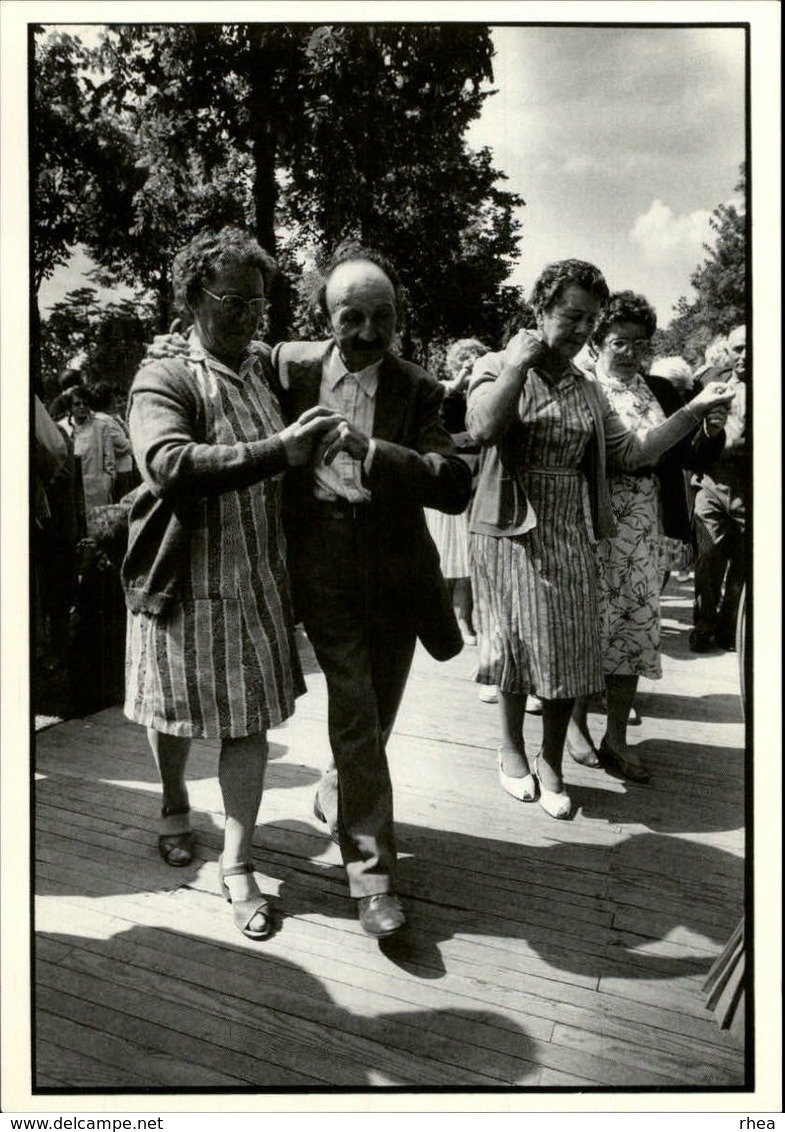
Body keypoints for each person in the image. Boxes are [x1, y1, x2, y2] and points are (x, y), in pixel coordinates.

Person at [122, 226, 340, 942]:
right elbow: (168, 463)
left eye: (259, 303)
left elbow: (336, 349)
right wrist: (279, 449)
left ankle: (238, 864)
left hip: (256, 581)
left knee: (248, 724)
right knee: (175, 717)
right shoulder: (165, 376)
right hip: (184, 585)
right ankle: (175, 802)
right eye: (232, 302)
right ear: (191, 298)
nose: (249, 316)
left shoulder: (260, 367)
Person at [466, 259, 734, 819]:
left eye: (591, 320)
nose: (583, 330)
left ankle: (551, 760)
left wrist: (693, 410)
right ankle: (511, 749)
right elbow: (485, 429)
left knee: (571, 646)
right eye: (571, 317)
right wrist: (518, 363)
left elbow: (633, 452)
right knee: (516, 643)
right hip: (510, 527)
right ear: (540, 311)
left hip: (573, 526)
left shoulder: (587, 388)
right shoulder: (496, 363)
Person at [271, 244, 472, 939]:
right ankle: (372, 880)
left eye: (381, 318)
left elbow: (453, 483)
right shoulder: (287, 367)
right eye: (349, 317)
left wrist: (372, 452)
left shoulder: (419, 387)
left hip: (394, 569)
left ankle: (338, 791)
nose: (365, 333)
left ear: (399, 319)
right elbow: (218, 370)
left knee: (375, 715)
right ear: (323, 316)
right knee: (354, 710)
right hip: (320, 558)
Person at [565, 292, 727, 782]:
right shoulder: (583, 386)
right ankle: (574, 723)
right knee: (588, 627)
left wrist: (711, 430)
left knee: (634, 628)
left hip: (643, 525)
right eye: (620, 342)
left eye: (641, 342)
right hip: (592, 520)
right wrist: (694, 413)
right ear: (596, 342)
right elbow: (621, 455)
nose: (632, 352)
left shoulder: (658, 388)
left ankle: (616, 735)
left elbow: (690, 459)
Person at [424, 338, 486, 646]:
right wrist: (460, 381)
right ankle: (444, 619)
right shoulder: (443, 389)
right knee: (447, 553)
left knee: (468, 556)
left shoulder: (485, 395)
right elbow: (436, 429)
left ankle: (465, 619)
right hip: (448, 477)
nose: (472, 364)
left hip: (478, 477)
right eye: (466, 359)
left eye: (477, 359)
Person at [690, 324, 747, 652]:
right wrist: (709, 433)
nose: (744, 355)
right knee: (707, 556)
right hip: (711, 482)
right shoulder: (714, 388)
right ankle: (704, 624)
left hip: (752, 486)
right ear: (729, 351)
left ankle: (729, 629)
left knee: (743, 565)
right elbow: (692, 445)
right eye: (738, 348)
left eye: (749, 347)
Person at [59, 386, 116, 508]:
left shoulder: (101, 427)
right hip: (73, 491)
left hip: (97, 489)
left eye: (85, 403)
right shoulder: (63, 428)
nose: (82, 407)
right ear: (70, 407)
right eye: (77, 404)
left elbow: (109, 461)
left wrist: (106, 483)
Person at [88, 381, 137, 500]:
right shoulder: (106, 422)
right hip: (120, 471)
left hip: (121, 469)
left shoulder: (105, 418)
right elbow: (126, 447)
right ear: (110, 399)